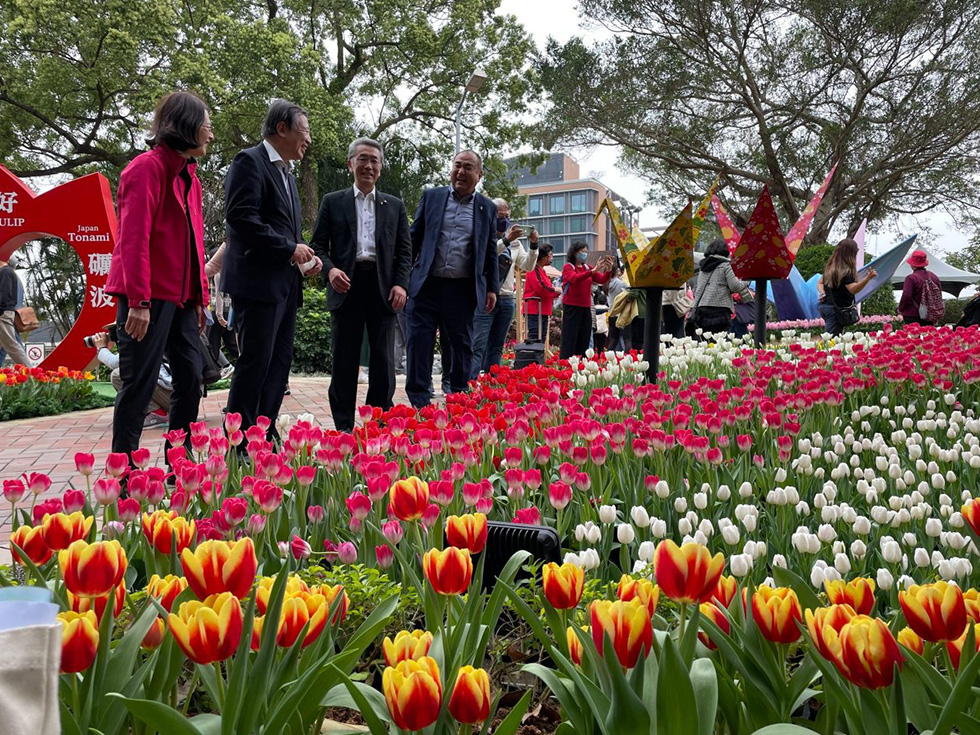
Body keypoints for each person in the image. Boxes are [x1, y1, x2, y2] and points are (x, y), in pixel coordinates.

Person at [103, 91, 213, 458]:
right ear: (185, 126)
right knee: (139, 384)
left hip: (182, 301)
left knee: (192, 380)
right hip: (146, 299)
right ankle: (124, 476)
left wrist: (201, 299)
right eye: (205, 125)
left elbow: (194, 245)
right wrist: (138, 302)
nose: (210, 134)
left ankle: (176, 464)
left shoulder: (190, 179)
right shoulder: (145, 169)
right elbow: (133, 241)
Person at [223, 100, 321, 437]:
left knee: (279, 366)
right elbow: (241, 217)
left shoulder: (288, 176)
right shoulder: (249, 162)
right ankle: (238, 439)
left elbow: (286, 233)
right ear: (282, 129)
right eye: (305, 132)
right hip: (257, 285)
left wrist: (304, 258)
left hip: (286, 286)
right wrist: (289, 248)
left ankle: (264, 432)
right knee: (255, 364)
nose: (308, 140)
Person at [311, 137, 412, 432]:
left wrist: (401, 285)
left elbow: (405, 251)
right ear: (350, 164)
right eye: (363, 159)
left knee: (383, 361)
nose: (368, 165)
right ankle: (343, 428)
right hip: (346, 285)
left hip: (382, 288)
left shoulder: (394, 205)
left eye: (374, 161)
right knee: (344, 360)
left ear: (380, 167)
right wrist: (329, 272)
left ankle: (377, 425)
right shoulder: (333, 201)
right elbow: (318, 245)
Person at [405, 150, 499, 408]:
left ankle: (458, 395)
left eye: (468, 167)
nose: (461, 171)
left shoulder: (486, 208)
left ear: (478, 175)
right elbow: (414, 237)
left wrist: (492, 287)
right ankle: (419, 400)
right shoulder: (432, 197)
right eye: (457, 165)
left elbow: (489, 249)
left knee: (461, 345)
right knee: (418, 342)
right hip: (426, 284)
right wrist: (402, 278)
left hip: (462, 288)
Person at [470, 198, 536, 378]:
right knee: (478, 345)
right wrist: (506, 240)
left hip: (507, 299)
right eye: (500, 217)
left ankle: (492, 385)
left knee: (497, 347)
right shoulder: (483, 234)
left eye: (507, 216)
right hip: (484, 297)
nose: (504, 221)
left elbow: (527, 266)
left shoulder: (515, 242)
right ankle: (469, 385)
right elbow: (485, 256)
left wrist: (534, 245)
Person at [92, 331, 172, 427]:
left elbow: (114, 363)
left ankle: (156, 413)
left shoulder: (145, 339)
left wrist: (102, 347)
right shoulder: (161, 333)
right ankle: (157, 412)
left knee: (119, 374)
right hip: (183, 399)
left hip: (172, 397)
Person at [560, 241, 612, 359]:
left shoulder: (587, 267)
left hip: (585, 307)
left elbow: (602, 279)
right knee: (570, 337)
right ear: (574, 253)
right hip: (572, 307)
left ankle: (581, 361)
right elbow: (574, 278)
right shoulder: (568, 267)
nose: (584, 254)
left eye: (586, 252)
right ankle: (566, 361)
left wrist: (608, 270)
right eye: (582, 252)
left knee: (584, 337)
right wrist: (591, 272)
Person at [691, 238, 753, 338]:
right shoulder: (726, 265)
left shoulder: (703, 266)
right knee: (719, 340)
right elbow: (735, 286)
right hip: (720, 309)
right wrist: (746, 282)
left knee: (706, 340)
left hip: (702, 308)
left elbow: (699, 288)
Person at [818, 237, 876, 336]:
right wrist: (867, 279)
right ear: (851, 254)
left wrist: (823, 293)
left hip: (825, 306)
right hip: (836, 310)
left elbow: (819, 283)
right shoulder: (846, 271)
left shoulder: (830, 268)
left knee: (834, 336)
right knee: (831, 339)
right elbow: (853, 289)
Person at [203, 242, 238, 372]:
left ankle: (212, 371)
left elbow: (218, 295)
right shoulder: (230, 272)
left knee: (212, 344)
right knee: (232, 344)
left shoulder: (218, 274)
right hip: (228, 312)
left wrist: (218, 315)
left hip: (218, 314)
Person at [522, 243, 560, 343]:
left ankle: (538, 358)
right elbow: (541, 287)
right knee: (535, 339)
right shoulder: (533, 269)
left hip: (542, 310)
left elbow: (547, 289)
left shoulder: (542, 271)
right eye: (550, 254)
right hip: (535, 310)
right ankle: (534, 358)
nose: (551, 256)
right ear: (543, 256)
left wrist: (557, 292)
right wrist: (555, 290)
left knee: (541, 339)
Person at [898, 249, 944, 326]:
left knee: (914, 336)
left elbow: (906, 296)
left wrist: (900, 308)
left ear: (912, 264)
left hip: (912, 314)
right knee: (928, 336)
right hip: (929, 315)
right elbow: (939, 295)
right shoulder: (934, 277)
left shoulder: (911, 278)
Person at [0, 257, 30, 367]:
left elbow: (6, 298)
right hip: (10, 315)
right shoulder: (14, 276)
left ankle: (31, 374)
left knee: (13, 346)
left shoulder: (6, 273)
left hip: (5, 315)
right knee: (9, 346)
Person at [605, 264, 629, 350]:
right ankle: (628, 360)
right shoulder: (621, 283)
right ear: (616, 271)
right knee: (627, 340)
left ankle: (607, 359)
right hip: (622, 314)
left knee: (613, 341)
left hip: (612, 314)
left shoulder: (606, 284)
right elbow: (629, 292)